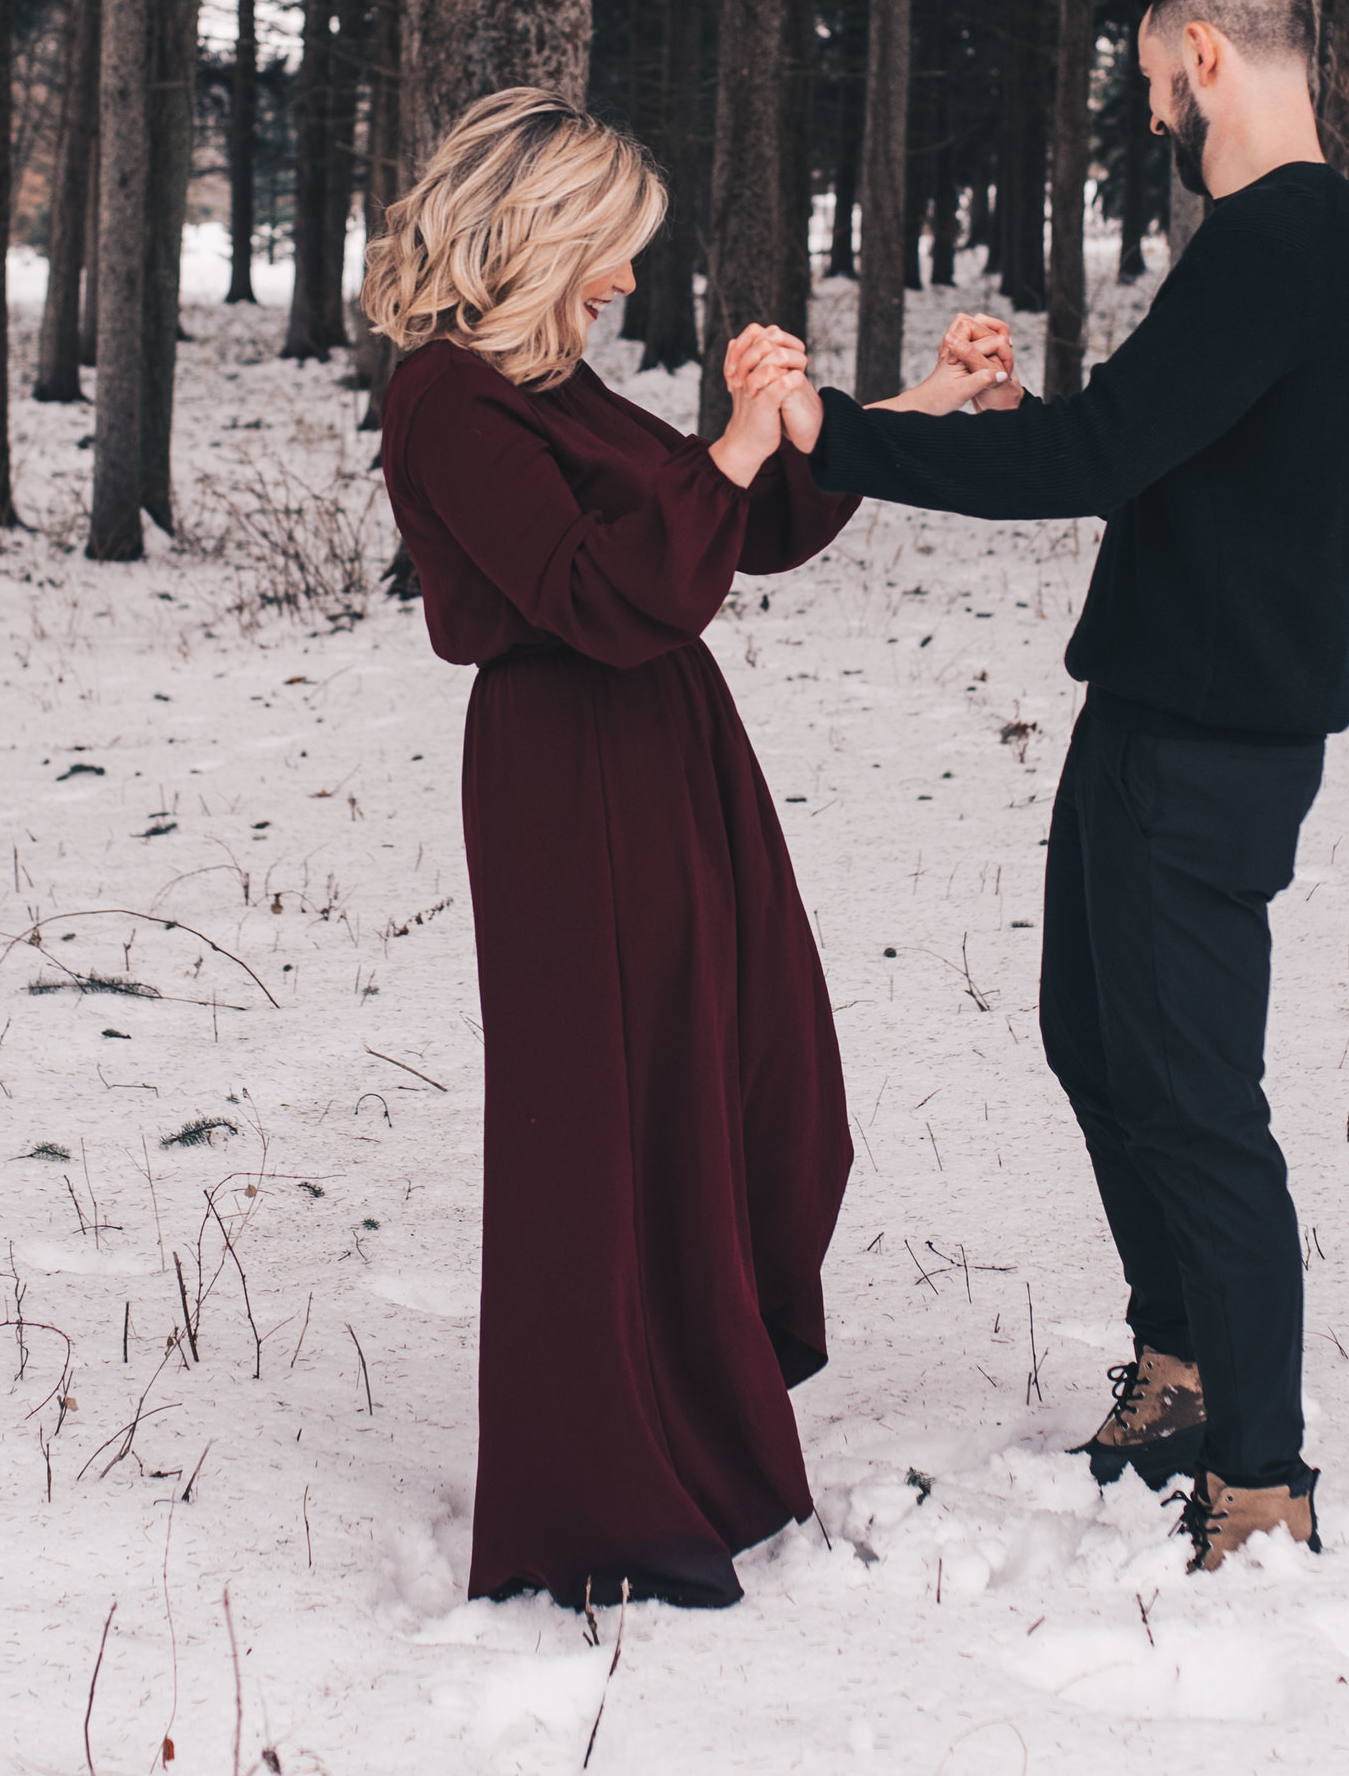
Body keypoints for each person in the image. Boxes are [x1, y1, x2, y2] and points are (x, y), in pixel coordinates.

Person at [786, 0, 1349, 1575]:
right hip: (1157, 713)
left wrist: (843, 432)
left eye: (1147, 83)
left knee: (1195, 1096)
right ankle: (1185, 1371)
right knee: (1096, 1040)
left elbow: (1113, 454)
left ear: (1206, 53)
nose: (1151, 117)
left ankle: (1259, 1477)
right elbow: (1159, 447)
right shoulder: (1290, 246)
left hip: (1207, 744)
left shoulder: (1283, 238)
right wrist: (1005, 417)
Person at [367, 88, 859, 1613]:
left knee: (725, 1081)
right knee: (598, 1122)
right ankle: (598, 1497)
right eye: (614, 249)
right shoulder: (449, 398)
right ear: (540, 233)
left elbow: (734, 531)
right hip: (564, 772)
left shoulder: (553, 384)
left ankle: (704, 1436)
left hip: (664, 753)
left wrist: (850, 413)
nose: (629, 283)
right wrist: (721, 454)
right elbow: (594, 588)